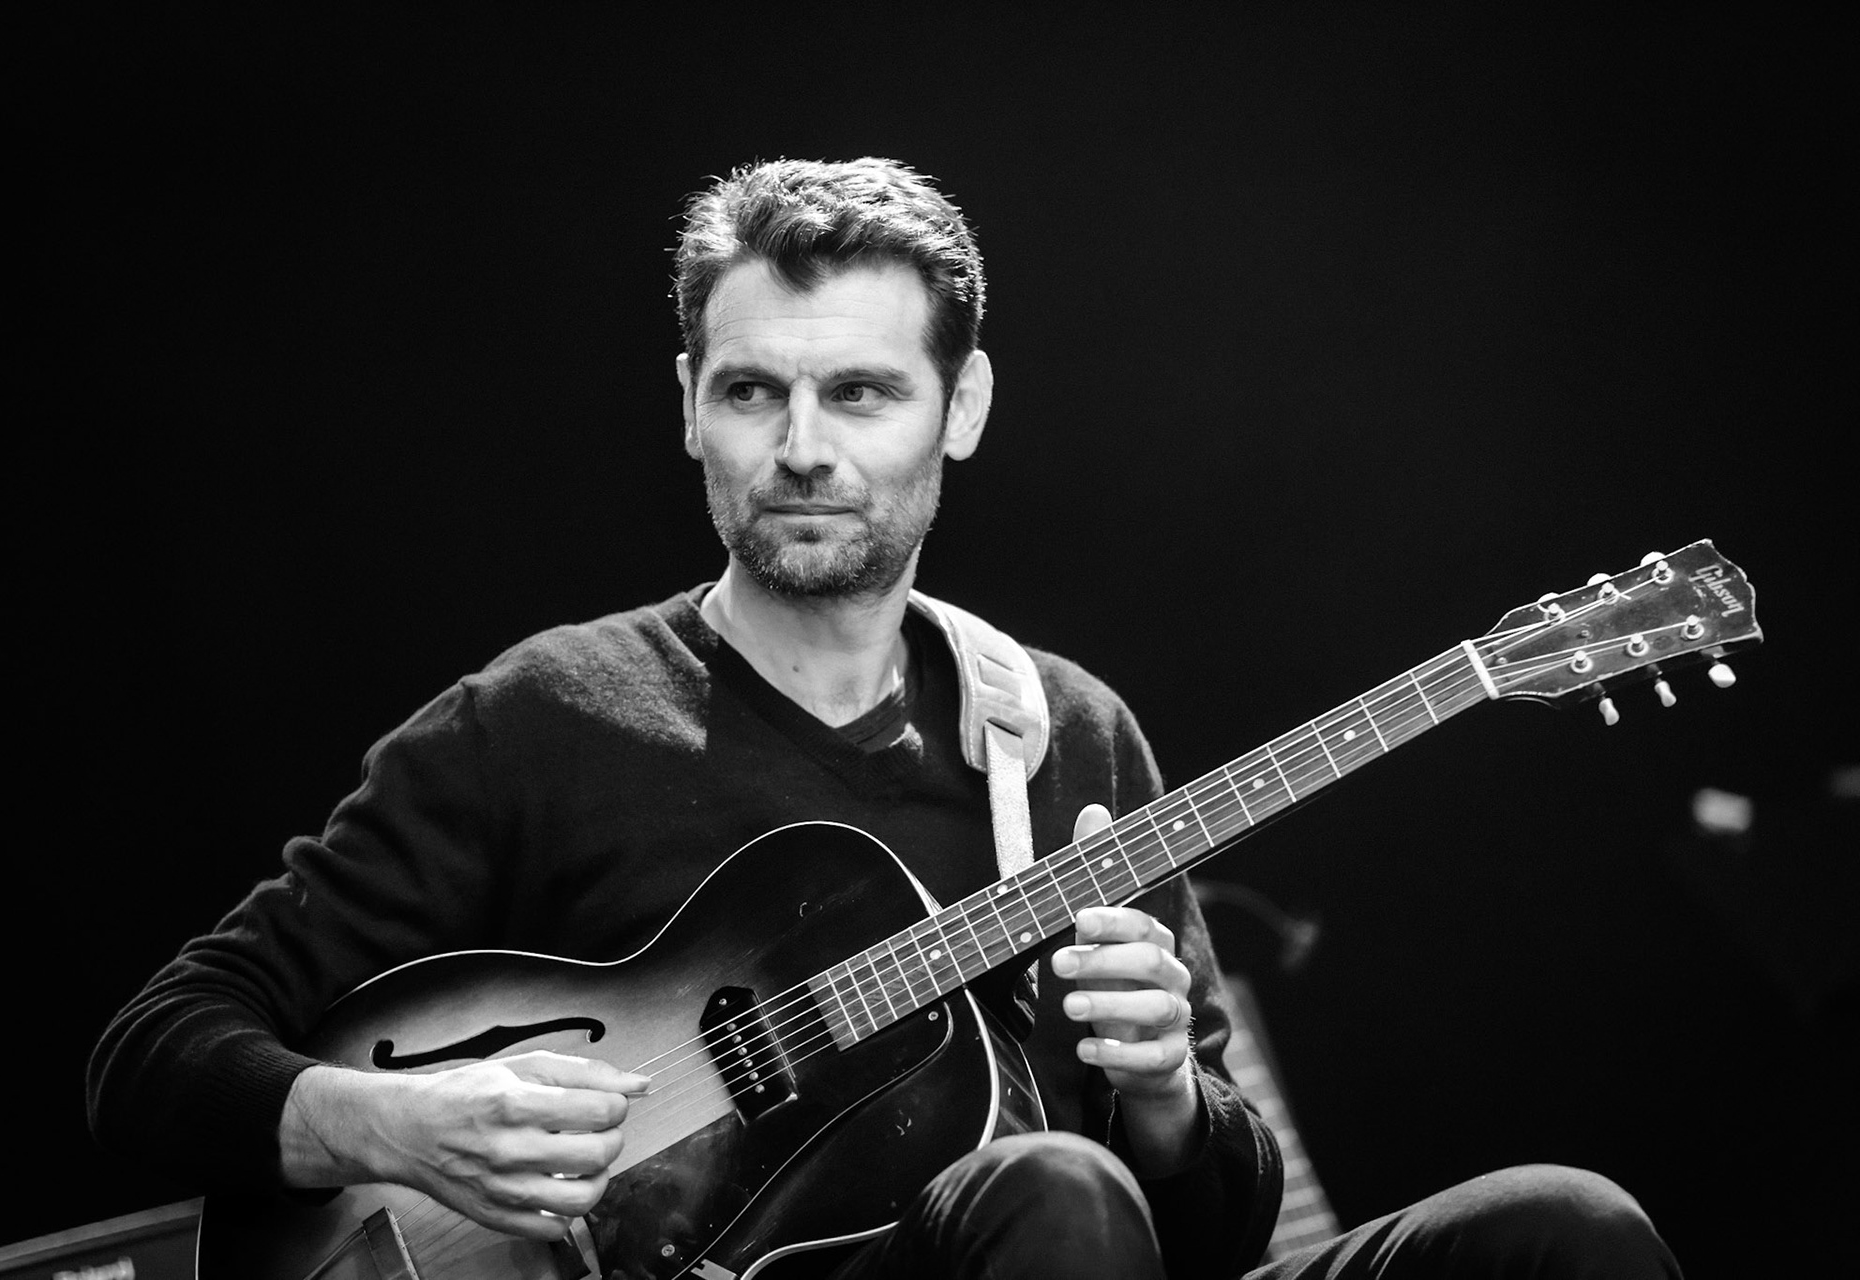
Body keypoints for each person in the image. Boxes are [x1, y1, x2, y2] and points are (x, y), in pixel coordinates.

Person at [89, 157, 1680, 1279]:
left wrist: (1165, 1100)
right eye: (751, 391)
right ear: (689, 407)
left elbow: (1215, 1243)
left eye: (859, 392)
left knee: (1567, 1224)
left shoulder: (1060, 735)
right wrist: (394, 1123)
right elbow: (151, 1057)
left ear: (959, 410)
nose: (800, 447)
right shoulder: (547, 716)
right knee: (1049, 1191)